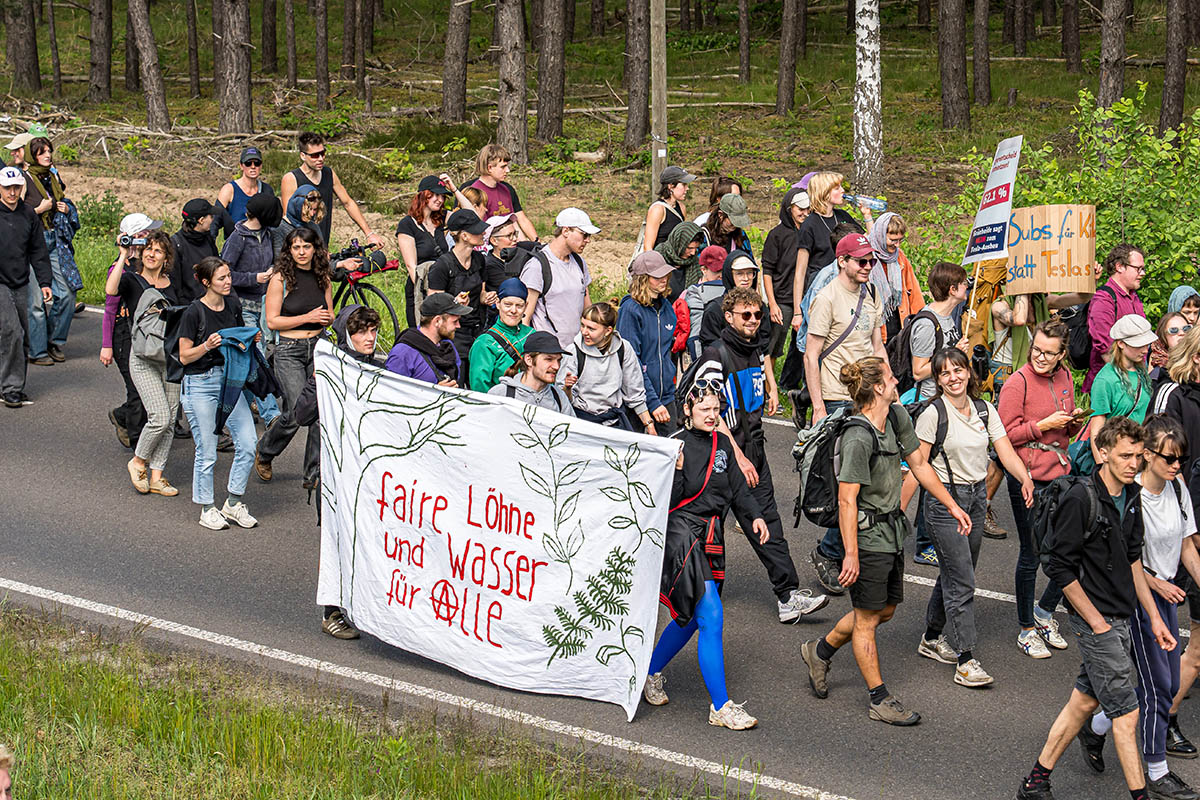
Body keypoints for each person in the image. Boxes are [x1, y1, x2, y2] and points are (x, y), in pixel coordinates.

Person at [799, 356, 971, 726]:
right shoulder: (859, 438)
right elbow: (846, 499)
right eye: (892, 378)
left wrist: (952, 506)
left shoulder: (896, 417)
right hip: (866, 535)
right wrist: (850, 553)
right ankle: (880, 698)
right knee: (866, 618)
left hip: (892, 531)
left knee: (884, 611)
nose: (898, 381)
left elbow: (920, 465)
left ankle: (820, 650)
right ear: (878, 387)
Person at [1015, 417, 1176, 800]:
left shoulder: (1133, 496)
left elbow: (1134, 560)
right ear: (1102, 454)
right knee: (1127, 713)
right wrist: (1096, 624)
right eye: (1124, 456)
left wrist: (1154, 618)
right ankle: (1140, 796)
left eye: (1138, 456)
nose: (1133, 463)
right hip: (1098, 623)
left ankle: (1035, 782)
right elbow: (1058, 567)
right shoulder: (1080, 499)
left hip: (1123, 617)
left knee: (1084, 701)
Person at [691, 287, 826, 623]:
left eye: (757, 315)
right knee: (708, 532)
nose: (753, 321)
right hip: (722, 457)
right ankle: (697, 601)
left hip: (755, 448)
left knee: (767, 520)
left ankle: (787, 595)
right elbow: (709, 414)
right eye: (746, 315)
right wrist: (736, 455)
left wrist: (769, 392)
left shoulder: (753, 350)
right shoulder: (715, 356)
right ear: (729, 317)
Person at [643, 382, 770, 731]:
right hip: (681, 535)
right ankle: (721, 706)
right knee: (711, 615)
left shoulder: (722, 444)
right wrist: (680, 469)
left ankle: (648, 671)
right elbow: (666, 503)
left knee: (689, 619)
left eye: (716, 409)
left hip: (711, 538)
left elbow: (739, 491)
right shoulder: (674, 445)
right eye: (705, 410)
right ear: (688, 410)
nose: (712, 416)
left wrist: (756, 515)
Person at [912, 347, 1034, 687]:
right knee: (963, 580)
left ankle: (932, 637)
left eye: (958, 370)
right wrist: (950, 504)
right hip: (945, 501)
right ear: (937, 380)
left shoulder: (984, 409)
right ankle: (966, 658)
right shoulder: (933, 414)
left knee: (955, 571)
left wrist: (1024, 477)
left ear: (969, 372)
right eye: (945, 373)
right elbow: (920, 466)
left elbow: (1004, 448)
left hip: (977, 496)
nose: (954, 377)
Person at [1116, 415, 1200, 799]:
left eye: (1180, 459)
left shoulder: (1176, 487)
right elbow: (1123, 560)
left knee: (1138, 684)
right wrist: (1156, 584)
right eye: (1169, 458)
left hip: (1165, 596)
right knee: (1159, 687)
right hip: (1137, 599)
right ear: (1147, 455)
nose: (1176, 466)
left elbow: (1187, 545)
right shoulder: (1131, 496)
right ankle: (1157, 768)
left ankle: (1098, 726)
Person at [998, 317, 1084, 658]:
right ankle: (1026, 629)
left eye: (1049, 353)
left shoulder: (1064, 378)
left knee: (1070, 550)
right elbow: (1003, 434)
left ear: (1062, 354)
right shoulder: (1017, 382)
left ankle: (1045, 612)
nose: (1041, 358)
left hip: (1060, 474)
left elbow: (1067, 434)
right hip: (1028, 476)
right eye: (1037, 350)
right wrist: (1041, 426)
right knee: (1031, 554)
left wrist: (1073, 423)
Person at [294, 304, 381, 640]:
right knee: (337, 539)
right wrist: (319, 384)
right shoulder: (328, 368)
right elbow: (301, 415)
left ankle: (369, 608)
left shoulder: (380, 370)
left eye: (373, 331)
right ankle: (332, 612)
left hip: (368, 473)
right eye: (361, 331)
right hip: (332, 471)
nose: (369, 338)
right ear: (347, 333)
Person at [177, 257, 261, 531]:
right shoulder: (193, 312)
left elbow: (236, 340)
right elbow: (184, 356)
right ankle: (207, 508)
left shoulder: (233, 304)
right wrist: (206, 346)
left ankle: (233, 503)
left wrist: (249, 339)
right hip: (199, 384)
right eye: (222, 278)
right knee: (207, 450)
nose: (228, 282)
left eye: (228, 276)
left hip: (228, 382)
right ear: (206, 282)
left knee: (248, 443)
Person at [255, 227, 334, 488]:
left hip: (318, 348)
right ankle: (265, 451)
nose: (301, 252)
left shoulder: (322, 275)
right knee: (296, 412)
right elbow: (272, 320)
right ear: (289, 250)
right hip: (289, 349)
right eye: (296, 247)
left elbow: (329, 313)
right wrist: (307, 318)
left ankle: (313, 475)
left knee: (320, 410)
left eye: (306, 247)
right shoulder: (280, 278)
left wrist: (326, 319)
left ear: (315, 249)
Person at [1154, 326, 1200, 761]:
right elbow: (1165, 456)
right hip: (1173, 538)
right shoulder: (1174, 395)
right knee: (1158, 651)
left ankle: (1162, 722)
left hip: (1189, 530)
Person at [106, 229, 180, 496]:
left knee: (170, 419)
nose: (151, 254)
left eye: (158, 250)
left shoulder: (172, 284)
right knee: (159, 416)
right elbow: (111, 289)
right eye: (148, 248)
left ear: (165, 257)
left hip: (170, 357)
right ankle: (138, 461)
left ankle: (157, 476)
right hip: (142, 357)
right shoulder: (132, 281)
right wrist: (123, 254)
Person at [804, 233, 885, 424]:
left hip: (868, 393)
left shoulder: (872, 293)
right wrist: (818, 407)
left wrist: (888, 385)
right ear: (842, 261)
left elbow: (878, 346)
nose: (867, 267)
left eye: (871, 262)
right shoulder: (826, 298)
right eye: (861, 262)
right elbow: (810, 355)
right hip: (837, 396)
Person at [101, 213, 164, 448]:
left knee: (146, 387)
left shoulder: (145, 265)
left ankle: (123, 416)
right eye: (146, 234)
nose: (149, 238)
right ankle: (138, 441)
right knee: (137, 390)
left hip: (143, 332)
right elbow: (109, 309)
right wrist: (107, 345)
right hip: (122, 334)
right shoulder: (120, 269)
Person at [222, 192, 284, 427]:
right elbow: (224, 274)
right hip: (243, 308)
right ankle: (271, 414)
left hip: (264, 305)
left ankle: (239, 406)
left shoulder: (267, 234)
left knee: (250, 359)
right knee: (257, 356)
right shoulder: (238, 238)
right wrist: (254, 278)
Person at [0, 166, 52, 409]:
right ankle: (10, 387)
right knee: (12, 332)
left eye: (16, 188)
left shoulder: (28, 214)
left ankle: (14, 384)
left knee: (23, 334)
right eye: (7, 187)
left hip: (20, 279)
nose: (12, 192)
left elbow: (38, 250)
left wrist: (44, 282)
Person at [279, 131, 384, 250]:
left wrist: (369, 234)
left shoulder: (329, 174)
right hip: (302, 249)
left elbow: (348, 203)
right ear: (303, 156)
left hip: (323, 244)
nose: (320, 159)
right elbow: (288, 218)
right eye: (314, 155)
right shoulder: (291, 178)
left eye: (322, 153)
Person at [789, 171, 865, 334]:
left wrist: (867, 215)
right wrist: (797, 312)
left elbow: (867, 243)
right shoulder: (810, 225)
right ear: (824, 192)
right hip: (821, 289)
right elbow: (800, 272)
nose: (843, 191)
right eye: (837, 188)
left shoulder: (843, 216)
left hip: (846, 287)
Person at [559, 302, 654, 430]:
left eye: (591, 329)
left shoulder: (623, 349)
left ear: (608, 330)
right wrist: (567, 387)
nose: (584, 332)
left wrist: (649, 424)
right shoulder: (573, 351)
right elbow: (562, 398)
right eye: (583, 325)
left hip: (614, 422)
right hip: (582, 421)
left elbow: (634, 391)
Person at [427, 209, 497, 379]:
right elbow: (431, 308)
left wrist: (486, 297)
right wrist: (453, 304)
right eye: (477, 230)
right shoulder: (442, 267)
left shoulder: (479, 259)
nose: (483, 233)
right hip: (454, 335)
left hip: (478, 330)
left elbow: (480, 293)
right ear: (464, 236)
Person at [24, 136, 74, 365]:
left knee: (66, 294)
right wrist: (37, 210)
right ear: (32, 155)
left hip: (55, 239)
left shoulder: (52, 176)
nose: (47, 155)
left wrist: (64, 207)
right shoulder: (24, 180)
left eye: (49, 151)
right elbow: (14, 216)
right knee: (36, 302)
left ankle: (54, 340)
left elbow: (61, 201)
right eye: (41, 152)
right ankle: (37, 351)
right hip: (33, 243)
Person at [618, 251, 678, 435]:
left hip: (666, 396)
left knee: (673, 455)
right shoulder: (630, 310)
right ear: (643, 279)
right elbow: (631, 362)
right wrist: (651, 402)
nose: (664, 279)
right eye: (657, 275)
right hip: (638, 401)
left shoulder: (667, 307)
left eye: (665, 274)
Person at [521, 207, 596, 350]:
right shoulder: (537, 266)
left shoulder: (580, 263)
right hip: (547, 352)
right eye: (584, 234)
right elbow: (525, 316)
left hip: (578, 349)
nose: (588, 240)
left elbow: (588, 309)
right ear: (565, 231)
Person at [1085, 315, 1155, 469]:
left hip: (1139, 454)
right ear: (1121, 344)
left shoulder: (1142, 373)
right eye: (1139, 345)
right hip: (1115, 457)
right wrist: (1102, 470)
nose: (1145, 350)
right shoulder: (1105, 380)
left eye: (1146, 344)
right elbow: (1096, 430)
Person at [761, 188, 810, 392]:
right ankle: (768, 390)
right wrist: (772, 304)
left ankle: (790, 383)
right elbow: (767, 271)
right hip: (782, 298)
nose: (805, 213)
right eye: (801, 209)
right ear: (790, 209)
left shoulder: (808, 233)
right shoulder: (777, 235)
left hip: (805, 298)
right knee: (773, 347)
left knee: (803, 344)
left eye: (808, 209)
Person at [1084, 243, 1146, 392]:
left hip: (1135, 381)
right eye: (1138, 268)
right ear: (1119, 266)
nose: (1142, 273)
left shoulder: (1133, 297)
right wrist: (1127, 385)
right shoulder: (1104, 300)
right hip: (1111, 388)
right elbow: (1106, 349)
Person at [395, 175, 451, 327]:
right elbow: (411, 266)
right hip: (421, 287)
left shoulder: (441, 218)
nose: (440, 200)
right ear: (424, 195)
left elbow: (472, 217)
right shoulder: (407, 224)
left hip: (443, 286)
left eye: (443, 196)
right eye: (436, 195)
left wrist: (454, 189)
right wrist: (427, 294)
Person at [385, 293, 469, 385]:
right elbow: (391, 393)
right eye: (455, 321)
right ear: (437, 321)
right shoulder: (403, 353)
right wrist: (434, 393)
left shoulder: (448, 346)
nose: (458, 326)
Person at [468, 278, 535, 393]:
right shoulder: (484, 343)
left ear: (526, 306)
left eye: (519, 306)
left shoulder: (532, 335)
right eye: (508, 304)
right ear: (498, 303)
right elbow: (480, 389)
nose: (513, 310)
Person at [866, 211, 923, 342]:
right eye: (892, 240)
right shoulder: (866, 257)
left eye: (900, 240)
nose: (897, 245)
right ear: (880, 235)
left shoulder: (900, 257)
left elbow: (914, 292)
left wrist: (919, 321)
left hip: (900, 323)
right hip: (876, 328)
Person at [488, 331, 575, 415]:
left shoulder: (559, 397)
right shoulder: (501, 393)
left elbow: (572, 428)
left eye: (559, 360)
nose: (556, 366)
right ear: (529, 360)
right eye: (549, 359)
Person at [468, 144, 538, 241]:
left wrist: (528, 246)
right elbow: (480, 232)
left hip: (510, 243)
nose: (507, 170)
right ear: (489, 168)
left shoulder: (505, 189)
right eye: (503, 167)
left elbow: (514, 224)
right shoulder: (475, 193)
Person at [680, 244, 727, 360]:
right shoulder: (693, 293)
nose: (721, 275)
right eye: (717, 270)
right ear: (703, 269)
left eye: (724, 270)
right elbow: (695, 334)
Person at [215, 146, 276, 235]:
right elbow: (215, 221)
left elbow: (274, 222)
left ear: (261, 166)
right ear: (241, 166)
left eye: (257, 163)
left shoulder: (267, 190)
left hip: (261, 243)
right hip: (235, 243)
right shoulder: (229, 190)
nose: (253, 167)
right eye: (248, 163)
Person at [171, 199, 218, 304]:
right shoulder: (176, 244)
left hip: (212, 303)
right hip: (189, 306)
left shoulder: (208, 238)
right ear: (201, 220)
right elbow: (175, 281)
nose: (213, 219)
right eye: (211, 216)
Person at [642, 165, 695, 253]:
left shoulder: (682, 207)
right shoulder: (658, 210)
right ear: (670, 186)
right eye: (684, 185)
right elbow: (648, 247)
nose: (687, 188)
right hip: (659, 261)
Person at [654, 220, 702, 301]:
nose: (693, 253)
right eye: (689, 248)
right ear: (679, 244)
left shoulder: (694, 263)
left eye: (696, 248)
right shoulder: (659, 257)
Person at [273, 189, 327, 253]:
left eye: (314, 209)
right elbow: (279, 258)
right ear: (297, 206)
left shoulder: (313, 227)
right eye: (308, 209)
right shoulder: (280, 228)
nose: (312, 214)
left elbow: (322, 253)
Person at [700, 193, 753, 257]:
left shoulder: (741, 235)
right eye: (732, 220)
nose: (735, 225)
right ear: (720, 215)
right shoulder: (704, 235)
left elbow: (750, 260)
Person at [1150, 311, 1191, 389]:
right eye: (1174, 330)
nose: (1182, 333)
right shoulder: (1157, 375)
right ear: (1163, 336)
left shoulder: (1196, 363)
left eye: (1186, 329)